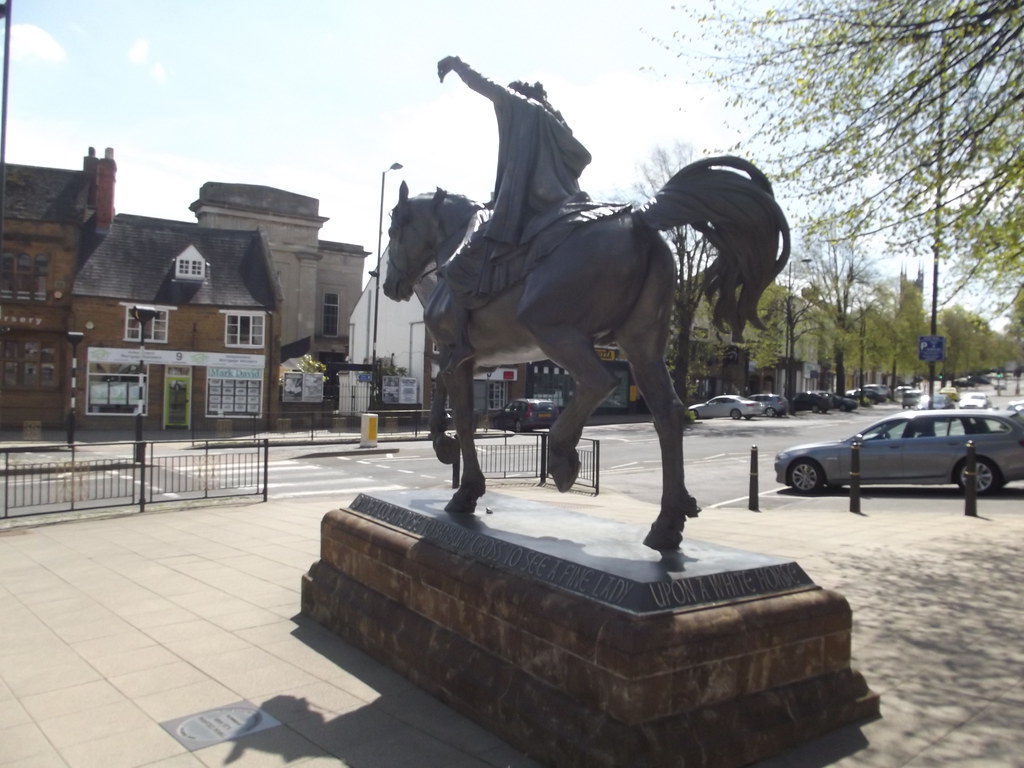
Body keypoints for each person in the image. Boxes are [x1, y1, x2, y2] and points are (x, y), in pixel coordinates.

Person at [436, 56, 592, 368]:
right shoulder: (553, 122)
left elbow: (485, 85)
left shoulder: (518, 105)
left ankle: (462, 343)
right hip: (566, 204)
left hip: (528, 206)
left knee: (457, 267)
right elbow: (583, 156)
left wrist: (457, 65)